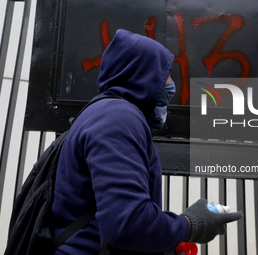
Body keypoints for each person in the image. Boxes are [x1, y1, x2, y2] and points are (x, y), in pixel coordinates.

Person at [51, 29, 242, 255]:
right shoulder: (118, 119)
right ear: (141, 73)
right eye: (166, 74)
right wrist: (190, 225)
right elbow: (128, 226)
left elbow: (112, 215)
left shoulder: (101, 113)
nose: (170, 83)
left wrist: (168, 242)